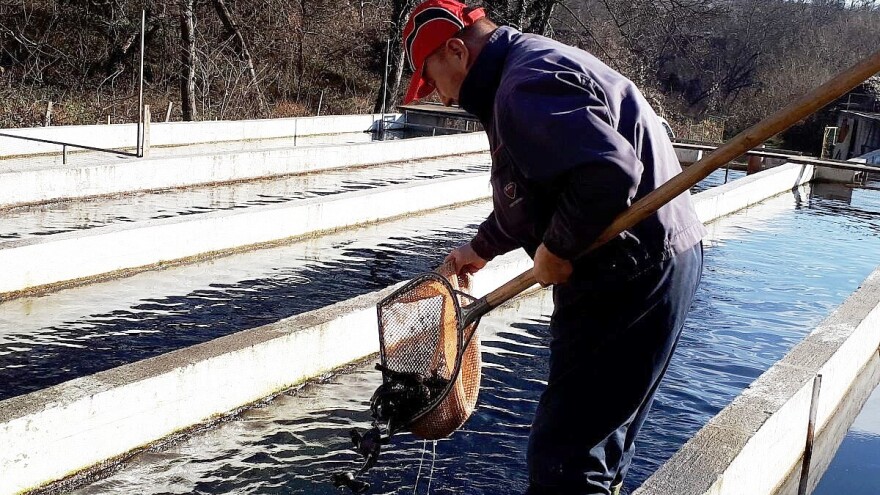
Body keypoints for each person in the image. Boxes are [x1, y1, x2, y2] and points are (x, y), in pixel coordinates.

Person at [400, 1, 706, 494]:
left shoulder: (522, 86)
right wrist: (481, 247)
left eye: (430, 77)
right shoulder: (522, 69)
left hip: (629, 272)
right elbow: (536, 188)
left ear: (456, 50)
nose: (435, 94)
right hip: (651, 258)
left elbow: (607, 171)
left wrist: (557, 247)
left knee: (566, 457)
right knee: (596, 446)